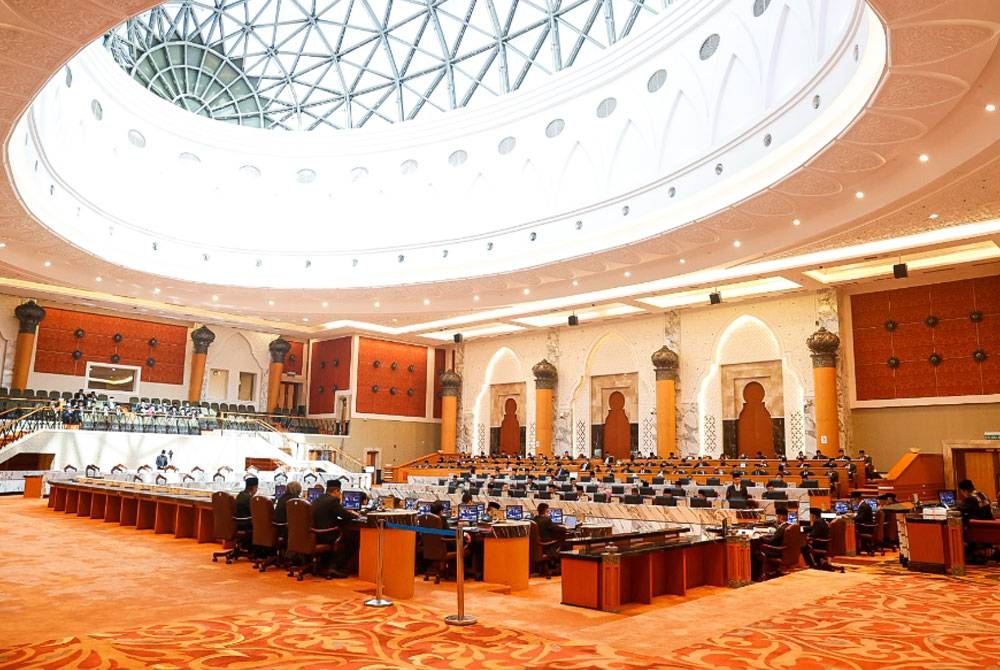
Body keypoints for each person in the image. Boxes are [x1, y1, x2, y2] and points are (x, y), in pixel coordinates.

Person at [312, 478, 359, 575]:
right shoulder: (333, 501)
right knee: (352, 540)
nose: (340, 494)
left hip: (315, 534)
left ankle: (326, 565)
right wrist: (356, 515)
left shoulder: (318, 499)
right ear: (336, 491)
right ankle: (335, 567)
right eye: (339, 492)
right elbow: (345, 515)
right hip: (326, 534)